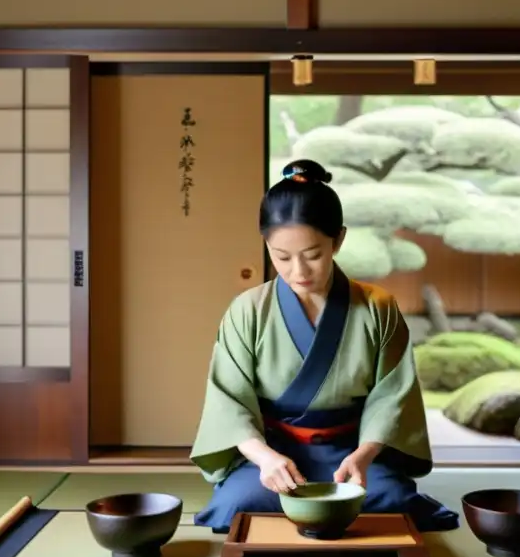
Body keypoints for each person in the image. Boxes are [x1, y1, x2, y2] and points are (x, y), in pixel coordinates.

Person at [191, 159, 459, 534]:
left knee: (396, 502)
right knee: (234, 506)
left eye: (313, 254)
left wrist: (364, 456)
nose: (298, 271)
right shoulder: (248, 311)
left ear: (339, 239)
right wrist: (266, 459)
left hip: (349, 455)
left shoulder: (377, 308)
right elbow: (228, 400)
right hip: (274, 455)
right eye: (281, 256)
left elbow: (392, 398)